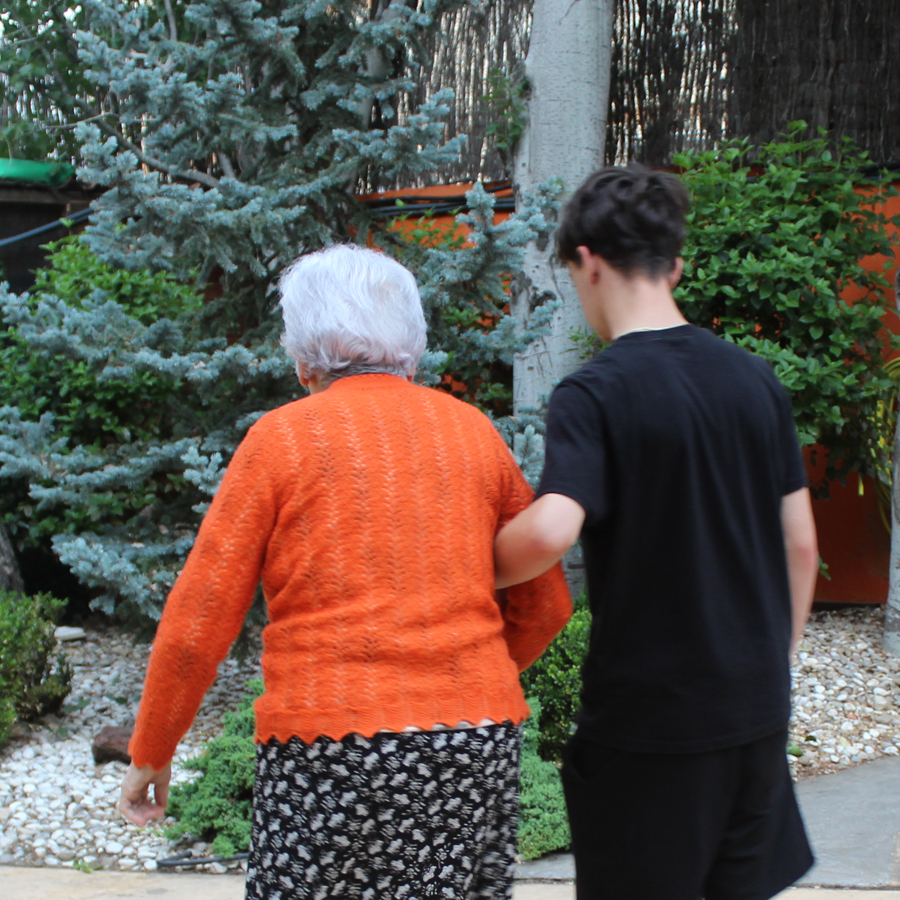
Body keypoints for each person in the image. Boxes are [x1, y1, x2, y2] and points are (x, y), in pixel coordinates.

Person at [117, 245, 571, 899]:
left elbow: (201, 615)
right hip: (475, 740)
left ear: (303, 358)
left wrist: (153, 748)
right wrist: (461, 682)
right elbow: (547, 604)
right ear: (410, 347)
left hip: (326, 747)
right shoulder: (473, 434)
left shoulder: (281, 440)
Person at [494, 166, 819, 900]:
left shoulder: (595, 391)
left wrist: (466, 572)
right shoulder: (753, 378)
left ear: (588, 262)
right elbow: (801, 543)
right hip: (754, 712)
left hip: (650, 729)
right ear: (675, 265)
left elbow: (550, 531)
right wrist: (773, 660)